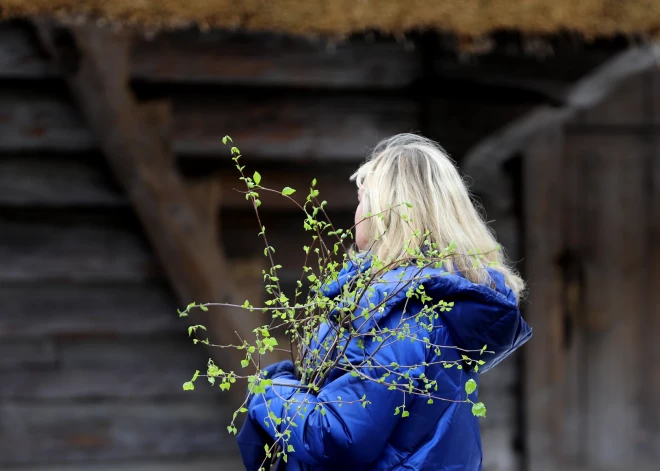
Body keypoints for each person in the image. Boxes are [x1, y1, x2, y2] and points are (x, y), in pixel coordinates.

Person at [237, 134, 532, 471]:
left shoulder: (403, 314)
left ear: (385, 212)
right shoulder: (428, 304)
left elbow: (337, 437)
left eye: (363, 200)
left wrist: (270, 388)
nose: (356, 214)